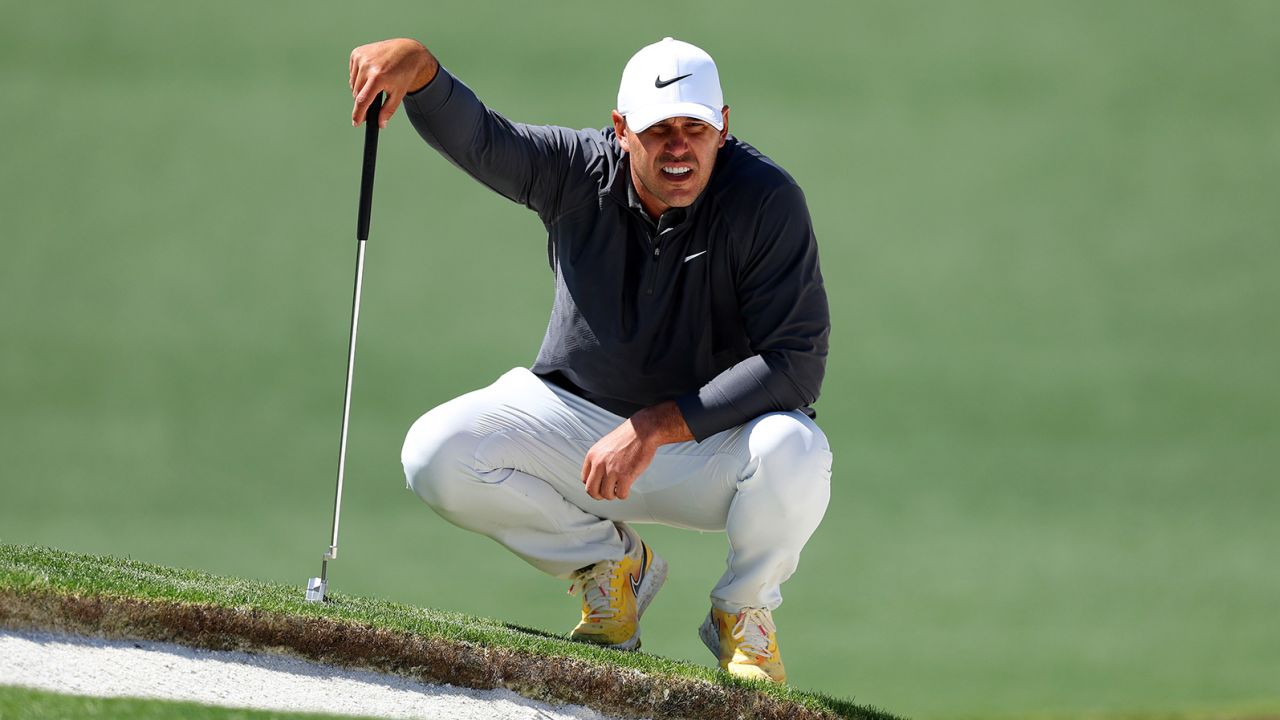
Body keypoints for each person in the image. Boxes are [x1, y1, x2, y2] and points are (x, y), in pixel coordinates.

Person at [348, 36, 831, 684]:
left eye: (696, 127)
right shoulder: (579, 171)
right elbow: (488, 143)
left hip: (705, 445)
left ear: (724, 127)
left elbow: (796, 363)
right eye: (659, 130)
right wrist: (424, 74)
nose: (679, 147)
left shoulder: (766, 200)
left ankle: (742, 614)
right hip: (575, 426)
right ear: (621, 129)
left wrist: (654, 427)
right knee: (435, 453)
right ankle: (610, 565)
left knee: (796, 450)